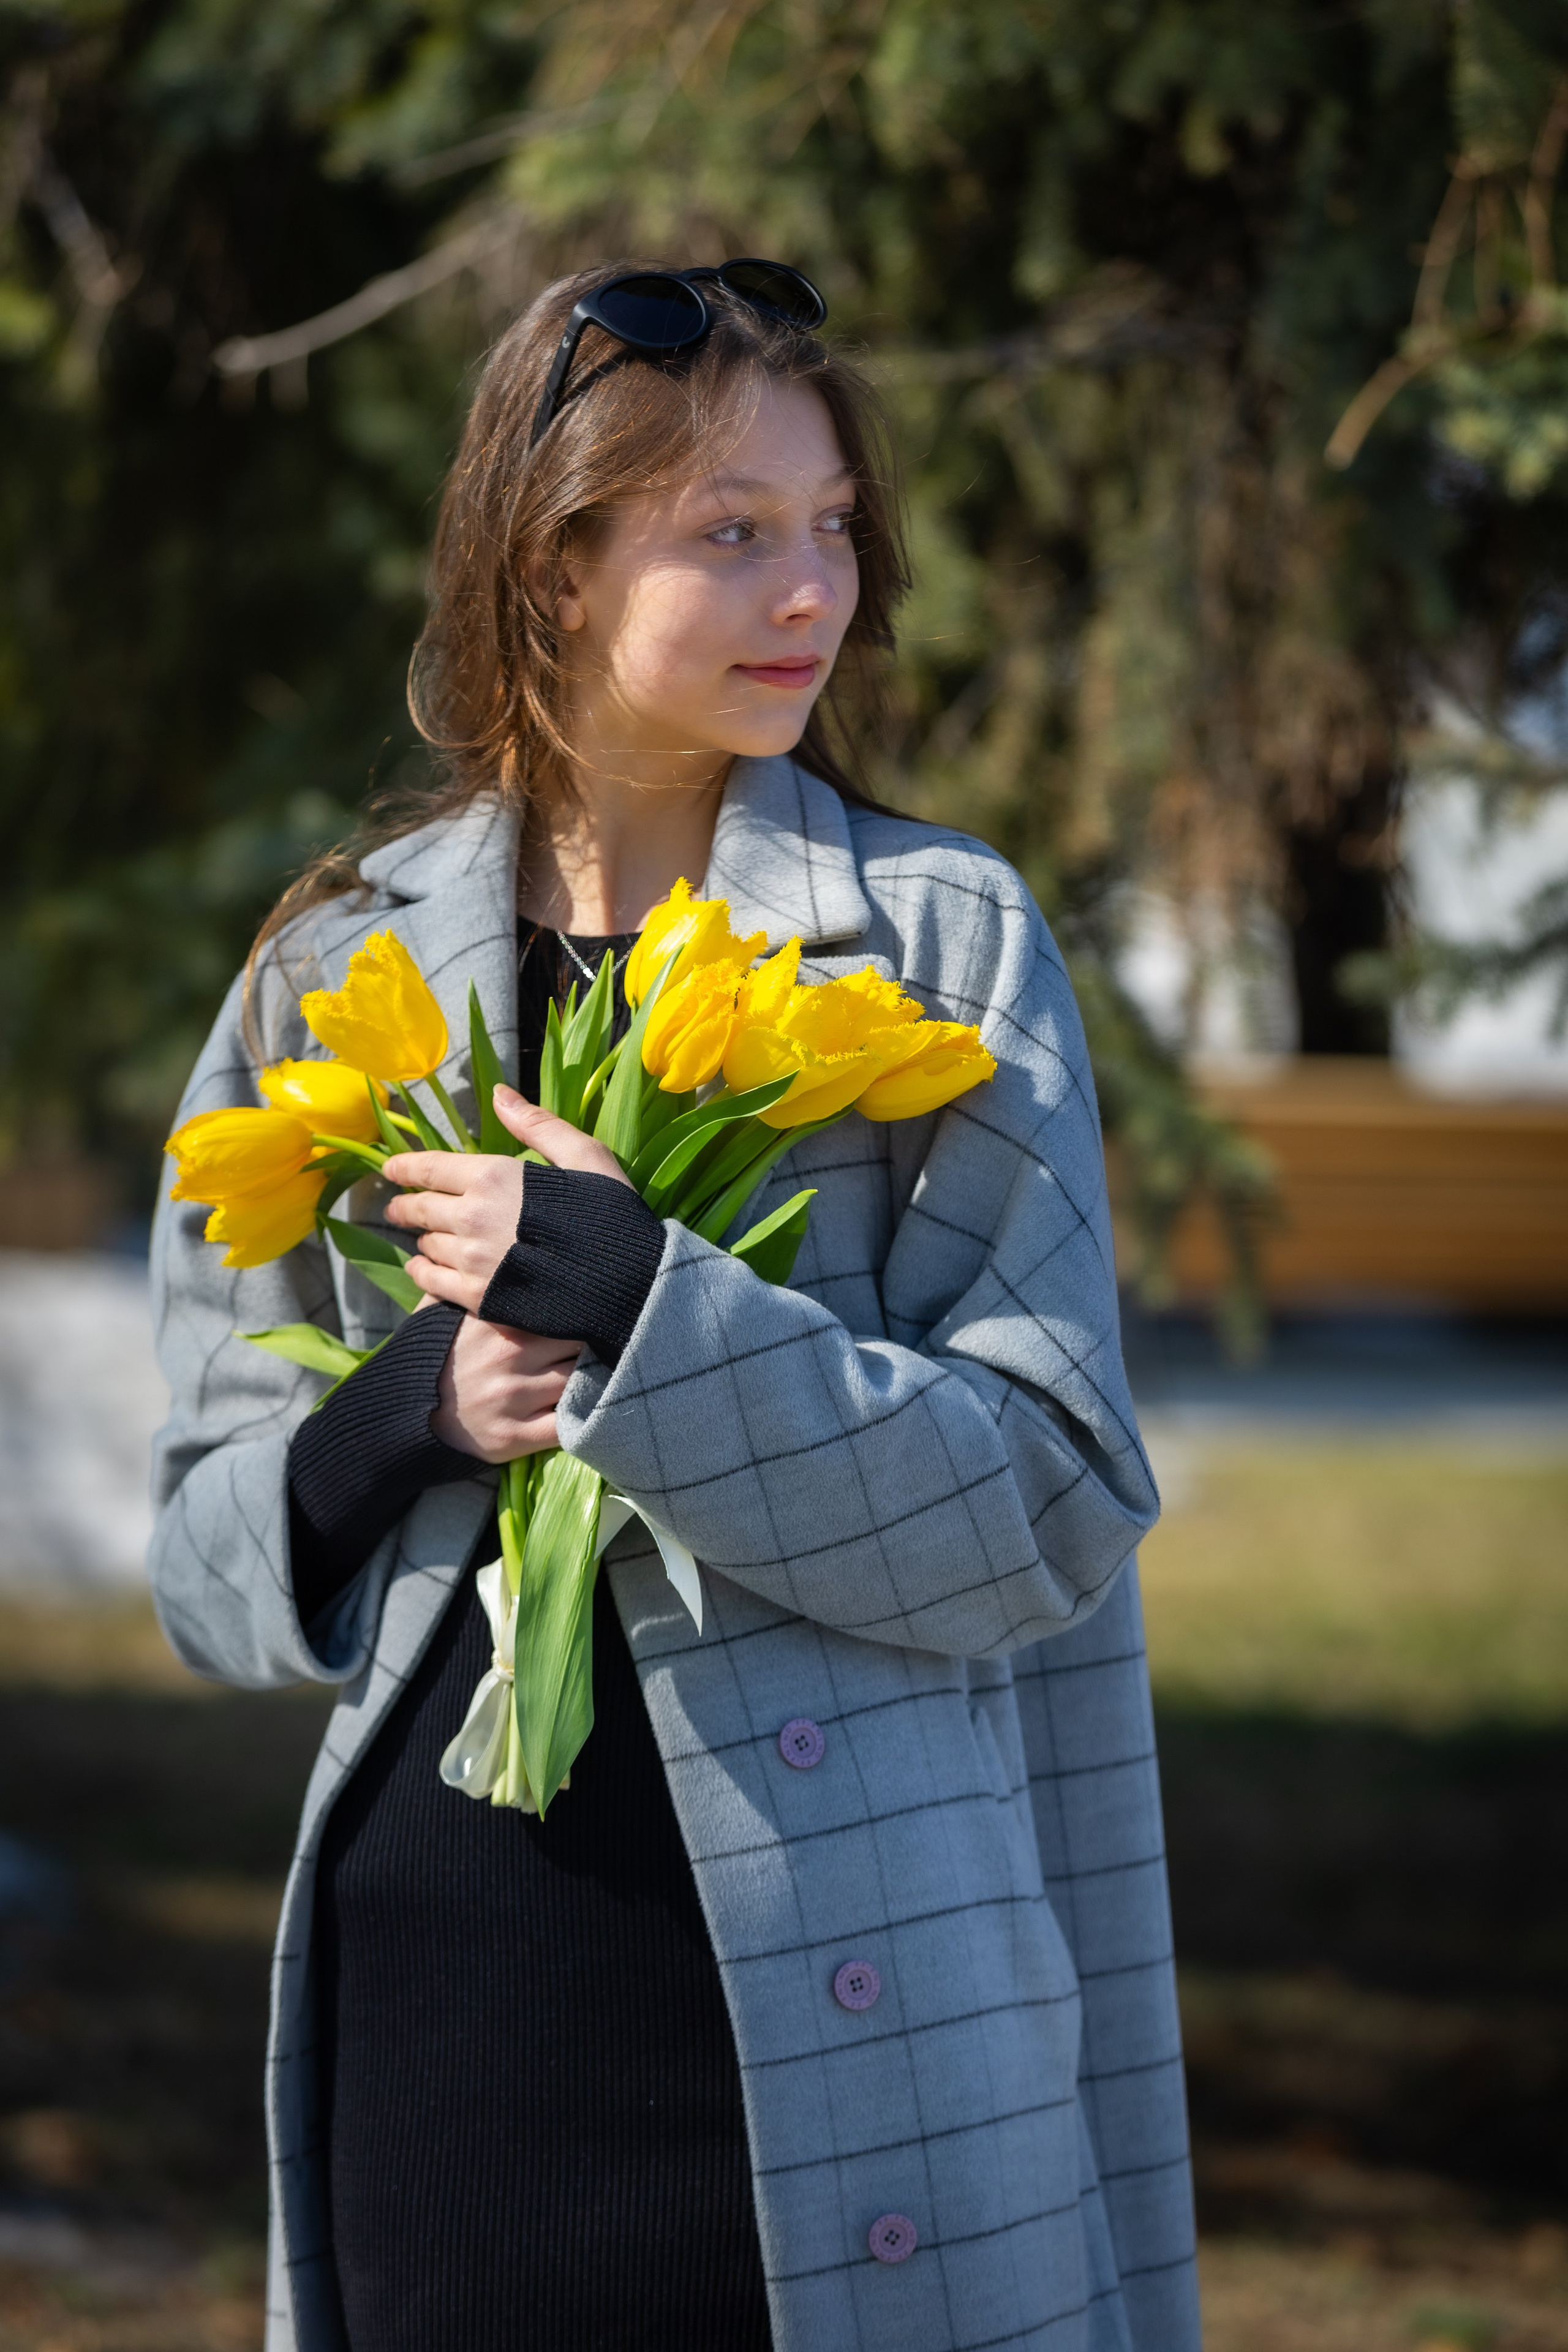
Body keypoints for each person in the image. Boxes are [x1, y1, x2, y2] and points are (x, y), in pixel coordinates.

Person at [149, 259, 1200, 2352]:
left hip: (855, 2014)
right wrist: (415, 1410)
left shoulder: (935, 944)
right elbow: (200, 1568)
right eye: (730, 533)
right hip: (444, 2024)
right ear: (549, 569)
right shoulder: (336, 973)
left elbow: (1052, 1504)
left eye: (830, 531)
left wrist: (644, 1305)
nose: (808, 589)